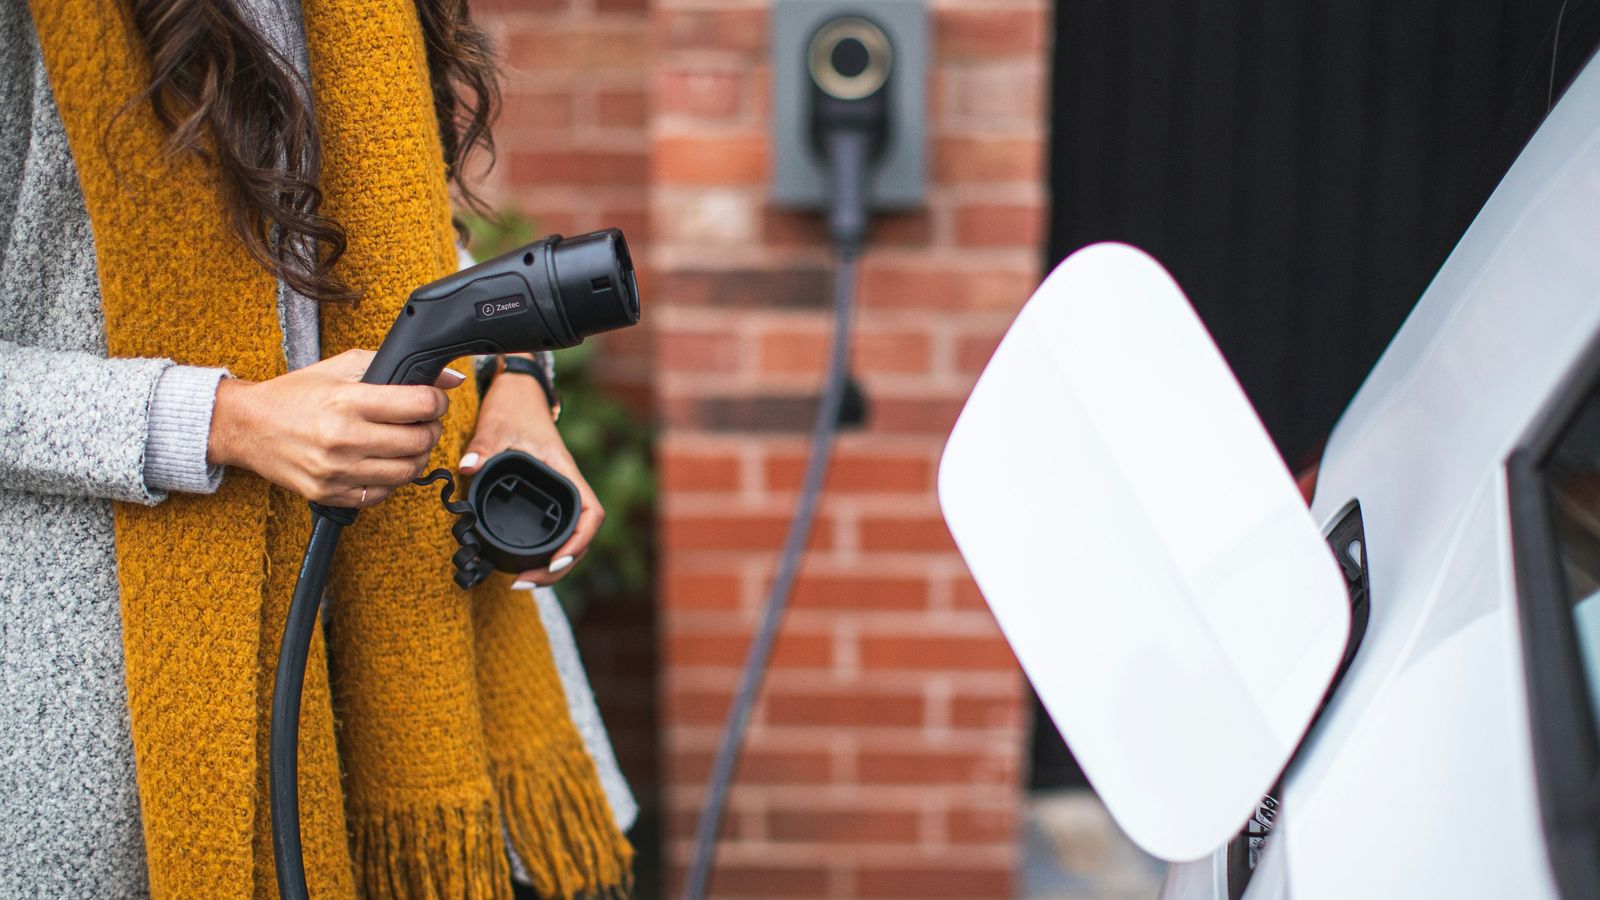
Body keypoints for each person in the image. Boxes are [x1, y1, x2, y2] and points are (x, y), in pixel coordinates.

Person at [0, 1, 635, 896]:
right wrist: (227, 421)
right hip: (130, 711)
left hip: (422, 642)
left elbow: (412, 234)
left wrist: (519, 387)